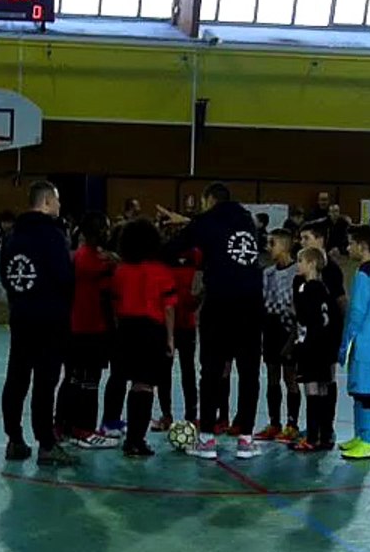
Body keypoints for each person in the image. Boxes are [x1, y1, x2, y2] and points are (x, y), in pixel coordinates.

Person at [157, 182, 263, 460]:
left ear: (209, 201)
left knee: (212, 370)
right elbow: (216, 229)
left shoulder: (207, 221)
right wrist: (192, 221)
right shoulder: (247, 221)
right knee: (249, 372)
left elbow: (175, 248)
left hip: (221, 303)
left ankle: (206, 440)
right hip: (252, 303)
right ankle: (246, 439)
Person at [0, 181, 77, 467]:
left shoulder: (11, 237)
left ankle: (14, 440)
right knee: (45, 382)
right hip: (50, 319)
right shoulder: (53, 237)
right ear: (46, 202)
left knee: (17, 378)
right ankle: (46, 443)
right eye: (56, 201)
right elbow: (65, 278)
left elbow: (7, 276)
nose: (59, 206)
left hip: (20, 316)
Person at [111, 218, 177, 458]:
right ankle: (137, 440)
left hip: (126, 329)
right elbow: (168, 307)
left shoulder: (120, 271)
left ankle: (130, 438)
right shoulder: (161, 271)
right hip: (151, 330)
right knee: (145, 386)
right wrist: (170, 338)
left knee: (132, 384)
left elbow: (115, 305)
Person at [54, 212, 118, 450]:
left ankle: (62, 426)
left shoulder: (84, 257)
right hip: (89, 328)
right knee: (88, 380)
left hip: (75, 327)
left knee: (72, 378)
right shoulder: (93, 260)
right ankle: (85, 429)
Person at [338, 225, 370, 461]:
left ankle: (368, 441)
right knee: (358, 390)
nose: (348, 248)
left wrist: (346, 340)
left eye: (350, 243)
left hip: (363, 341)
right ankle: (359, 436)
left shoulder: (364, 273)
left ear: (362, 246)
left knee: (365, 391)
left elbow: (357, 310)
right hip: (368, 340)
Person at [298, 223, 346, 448]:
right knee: (317, 381)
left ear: (319, 239)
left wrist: (341, 334)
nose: (303, 242)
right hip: (315, 339)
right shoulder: (303, 279)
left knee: (326, 379)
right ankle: (317, 429)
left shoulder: (331, 271)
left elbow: (339, 303)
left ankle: (326, 427)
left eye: (306, 238)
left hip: (324, 339)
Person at [151, 223, 201, 432]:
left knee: (188, 371)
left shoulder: (196, 255)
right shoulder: (162, 256)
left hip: (186, 322)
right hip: (166, 323)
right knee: (164, 372)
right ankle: (166, 415)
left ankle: (191, 416)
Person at [255, 229, 301, 443]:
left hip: (290, 330)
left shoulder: (297, 273)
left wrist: (293, 337)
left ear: (284, 245)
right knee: (272, 376)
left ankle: (292, 424)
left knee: (290, 377)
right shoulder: (267, 273)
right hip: (271, 329)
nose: (268, 247)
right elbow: (263, 303)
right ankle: (275, 423)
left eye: (271, 243)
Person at [289, 247, 337, 453]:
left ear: (311, 264)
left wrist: (301, 345)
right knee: (323, 388)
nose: (297, 265)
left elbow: (306, 318)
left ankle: (311, 437)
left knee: (312, 389)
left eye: (301, 261)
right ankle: (324, 435)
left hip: (312, 346)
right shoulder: (323, 289)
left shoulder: (309, 289)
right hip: (324, 347)